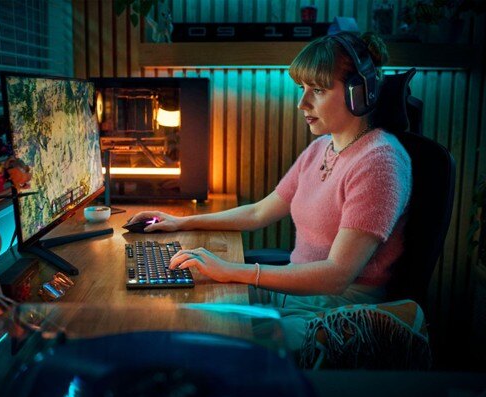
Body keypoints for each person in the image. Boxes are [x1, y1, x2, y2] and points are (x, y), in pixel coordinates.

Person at [129, 32, 412, 350]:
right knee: (186, 309)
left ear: (359, 93)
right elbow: (259, 212)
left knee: (209, 345)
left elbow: (337, 275)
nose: (301, 103)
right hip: (295, 292)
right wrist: (180, 223)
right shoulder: (322, 148)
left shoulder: (379, 163)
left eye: (317, 90)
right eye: (302, 89)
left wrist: (233, 270)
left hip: (335, 314)